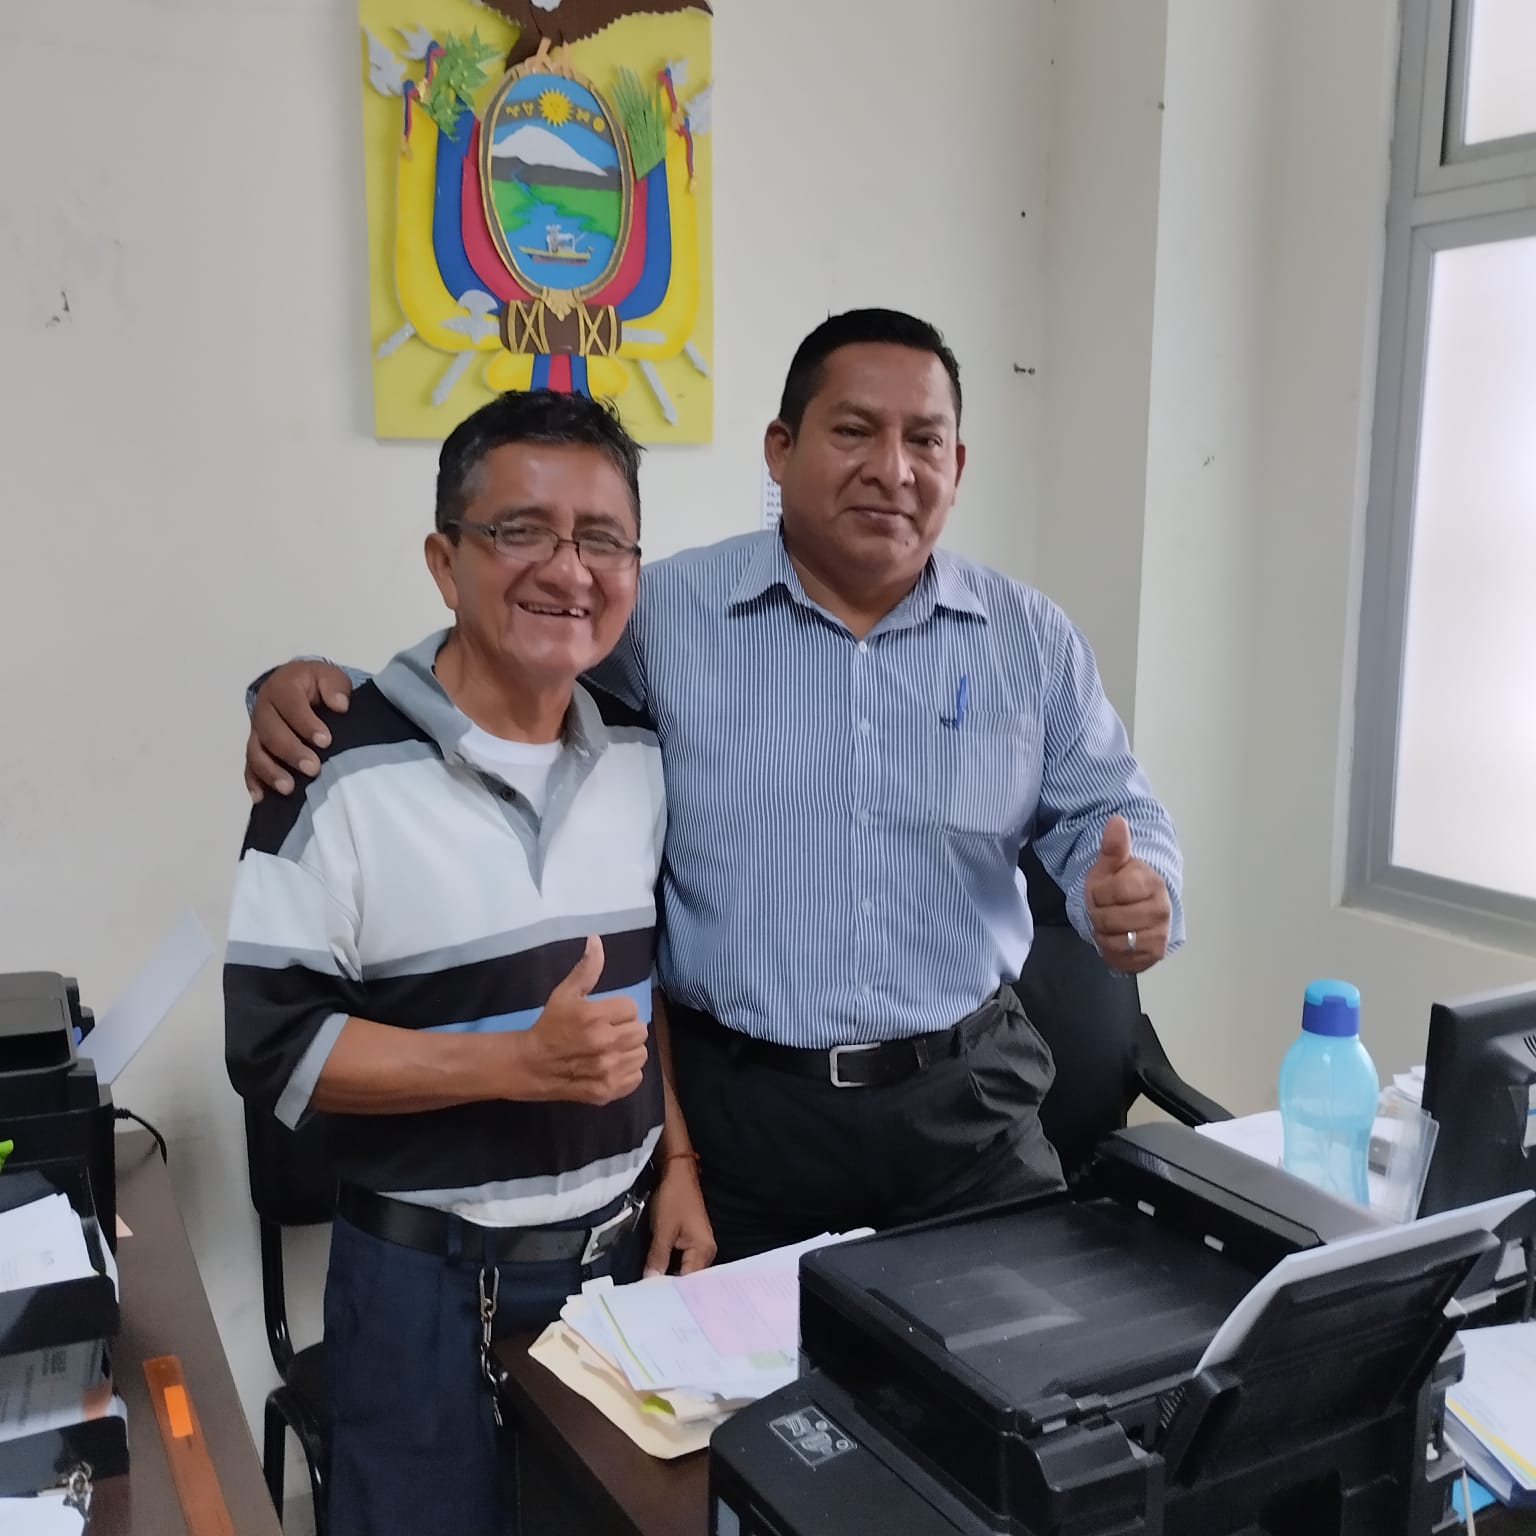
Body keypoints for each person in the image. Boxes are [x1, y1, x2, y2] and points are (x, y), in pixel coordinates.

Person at [242, 309, 1184, 1264]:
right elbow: (505, 670)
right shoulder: (662, 615)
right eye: (854, 430)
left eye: (925, 440)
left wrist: (1137, 890)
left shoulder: (1031, 641)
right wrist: (315, 694)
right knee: (739, 1367)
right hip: (742, 1129)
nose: (892, 468)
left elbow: (1116, 816)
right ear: (780, 448)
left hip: (967, 1111)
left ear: (958, 463)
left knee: (1031, 1355)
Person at [224, 391, 714, 1536]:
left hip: (620, 1276)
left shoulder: (642, 754)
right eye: (521, 531)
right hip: (423, 1291)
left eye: (603, 539)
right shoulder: (331, 768)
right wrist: (513, 1066)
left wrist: (680, 1160)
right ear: (446, 562)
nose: (568, 569)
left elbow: (643, 998)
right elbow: (274, 1050)